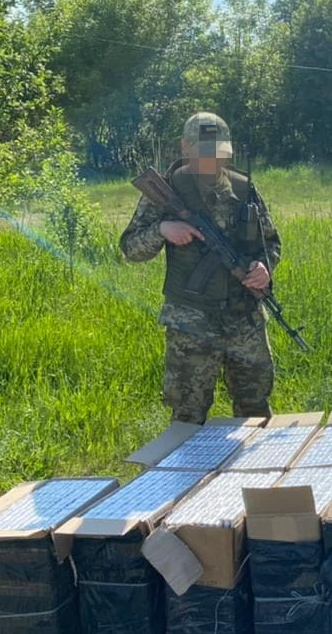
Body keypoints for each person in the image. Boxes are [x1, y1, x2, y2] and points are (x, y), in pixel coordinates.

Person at [120, 112, 281, 423]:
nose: (212, 159)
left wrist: (263, 267)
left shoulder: (243, 188)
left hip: (243, 317)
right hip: (190, 321)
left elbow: (271, 243)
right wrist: (162, 230)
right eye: (205, 152)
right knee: (188, 413)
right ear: (185, 147)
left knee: (254, 407)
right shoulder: (168, 190)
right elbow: (131, 248)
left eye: (218, 152)